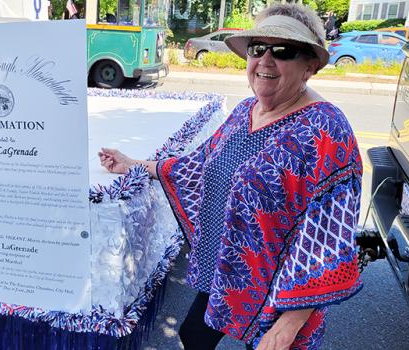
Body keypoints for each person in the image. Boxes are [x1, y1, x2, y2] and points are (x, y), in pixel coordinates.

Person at [99, 4, 362, 350]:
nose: (266, 61)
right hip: (228, 270)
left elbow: (328, 237)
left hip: (284, 295)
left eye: (283, 51)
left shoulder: (326, 130)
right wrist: (135, 164)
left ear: (310, 65)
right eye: (257, 49)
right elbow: (196, 166)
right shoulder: (243, 112)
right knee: (192, 336)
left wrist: (288, 325)